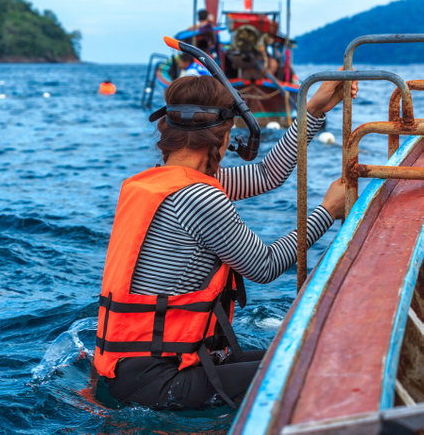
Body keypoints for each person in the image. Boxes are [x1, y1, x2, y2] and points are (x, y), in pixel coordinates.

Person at [94, 74, 358, 409]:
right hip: (161, 383)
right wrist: (328, 211)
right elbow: (265, 266)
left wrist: (312, 112)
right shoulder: (200, 197)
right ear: (221, 136)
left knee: (305, 353)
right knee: (319, 366)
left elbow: (266, 175)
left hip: (134, 372)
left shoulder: (160, 182)